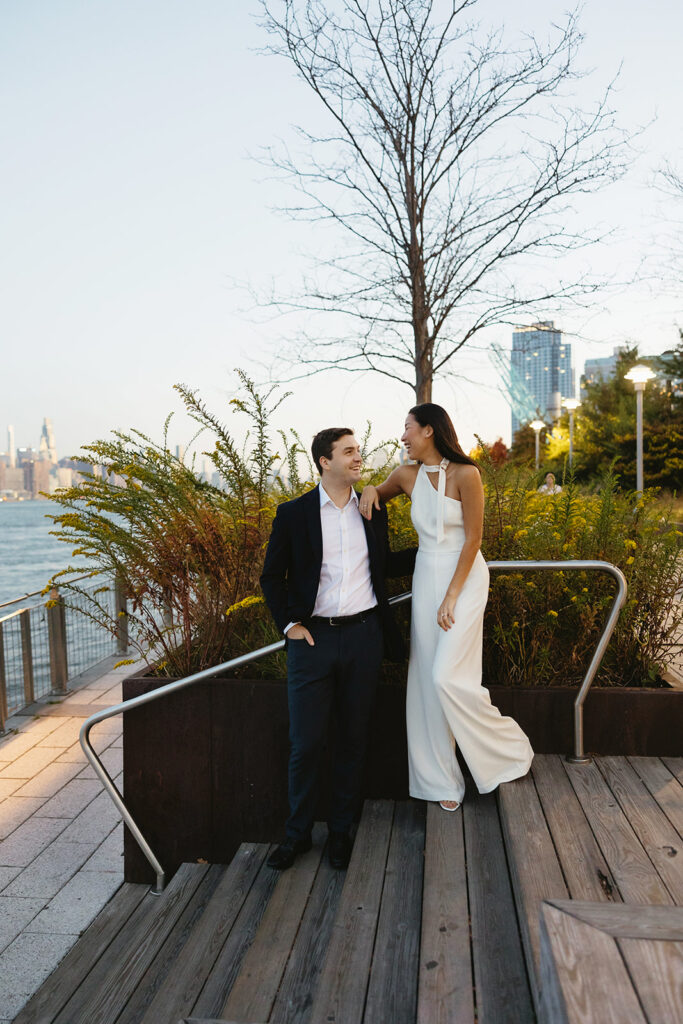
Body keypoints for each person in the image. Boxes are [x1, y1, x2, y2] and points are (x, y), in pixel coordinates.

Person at [360, 404, 533, 811]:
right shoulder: (405, 475)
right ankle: (440, 781)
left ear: (429, 431)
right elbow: (375, 495)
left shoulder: (467, 474)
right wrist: (369, 489)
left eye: (407, 429)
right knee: (424, 681)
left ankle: (508, 751)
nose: (402, 437)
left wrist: (453, 594)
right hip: (425, 577)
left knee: (448, 677)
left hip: (465, 579)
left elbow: (474, 539)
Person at [260, 427, 415, 870]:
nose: (358, 457)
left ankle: (342, 832)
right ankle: (297, 835)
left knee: (353, 740)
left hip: (365, 637)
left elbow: (384, 565)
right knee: (305, 744)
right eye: (348, 452)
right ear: (324, 462)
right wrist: (289, 625)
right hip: (313, 641)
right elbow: (272, 577)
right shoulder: (293, 514)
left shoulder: (372, 508)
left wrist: (442, 552)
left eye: (358, 451)